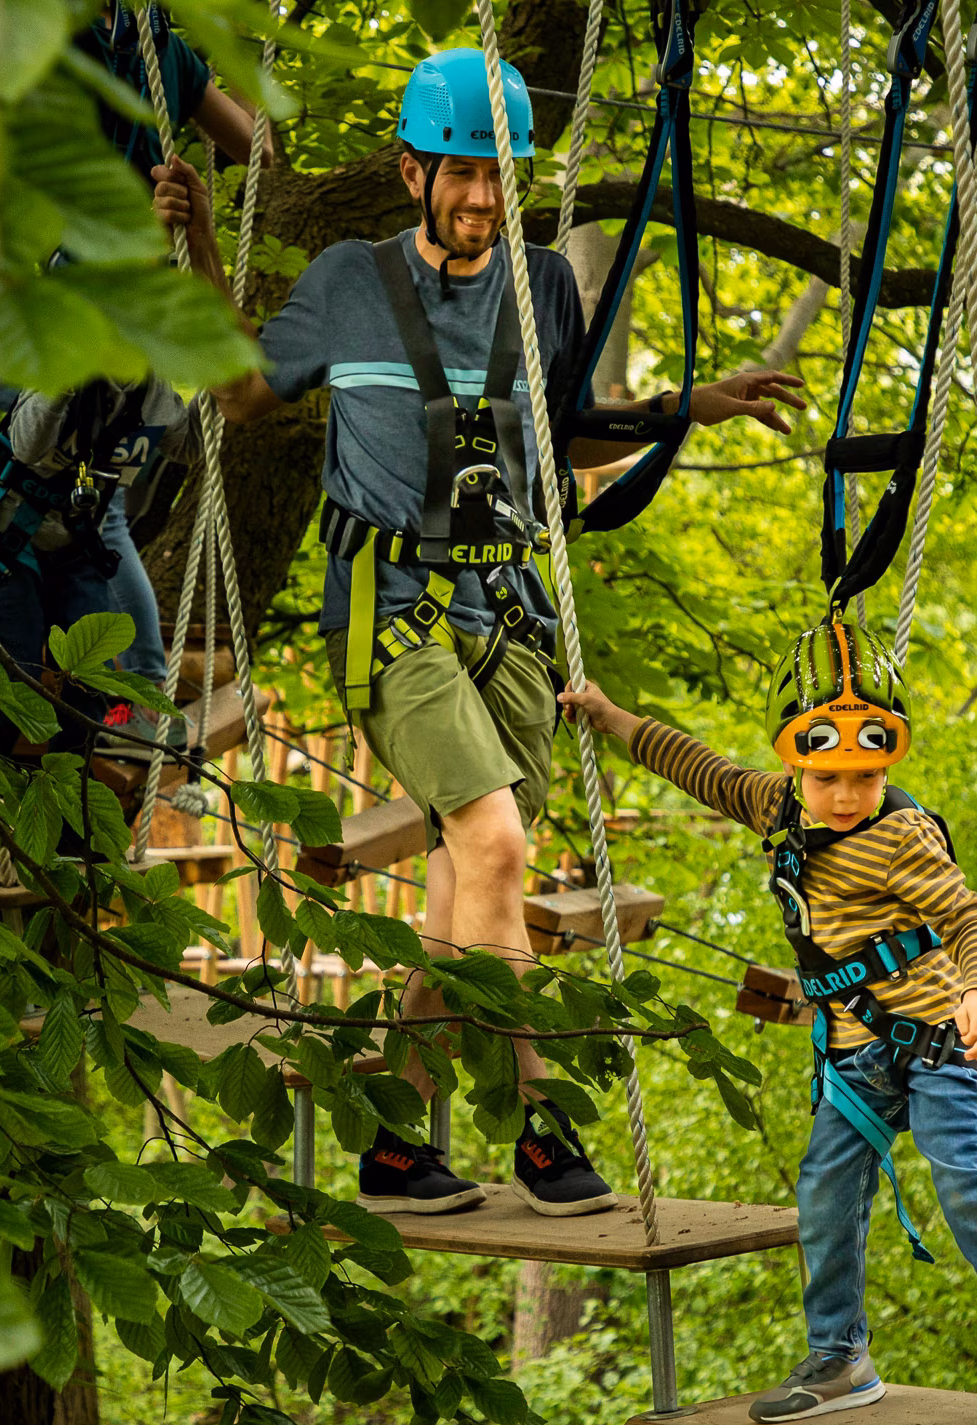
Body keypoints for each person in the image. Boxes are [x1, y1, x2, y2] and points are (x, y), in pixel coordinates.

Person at [158, 47, 808, 1218]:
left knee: (467, 889)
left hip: (506, 612)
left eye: (499, 176)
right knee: (499, 848)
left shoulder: (544, 284)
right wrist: (205, 247)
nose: (481, 198)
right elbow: (245, 392)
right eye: (461, 174)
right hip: (396, 611)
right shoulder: (349, 282)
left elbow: (567, 442)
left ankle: (394, 1144)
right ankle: (545, 1125)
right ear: (412, 173)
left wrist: (681, 411)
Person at [557, 615, 977, 1425]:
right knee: (825, 1196)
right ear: (795, 764)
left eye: (863, 778)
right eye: (826, 777)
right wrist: (613, 718)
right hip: (855, 1060)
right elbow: (699, 768)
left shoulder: (900, 838)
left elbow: (973, 921)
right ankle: (838, 1356)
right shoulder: (778, 808)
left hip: (939, 1045)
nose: (843, 796)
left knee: (964, 1177)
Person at [0, 3, 261, 732]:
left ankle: (106, 743)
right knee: (20, 476)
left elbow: (255, 144)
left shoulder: (157, 44)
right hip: (51, 295)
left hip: (116, 291)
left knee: (120, 650)